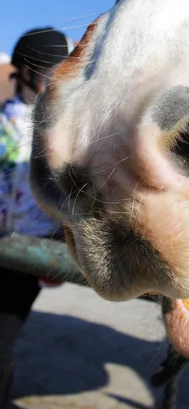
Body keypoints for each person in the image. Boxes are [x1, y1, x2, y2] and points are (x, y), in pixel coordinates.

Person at [0, 27, 74, 408]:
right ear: (27, 71)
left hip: (29, 253)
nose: (59, 83)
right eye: (52, 72)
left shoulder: (58, 133)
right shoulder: (6, 124)